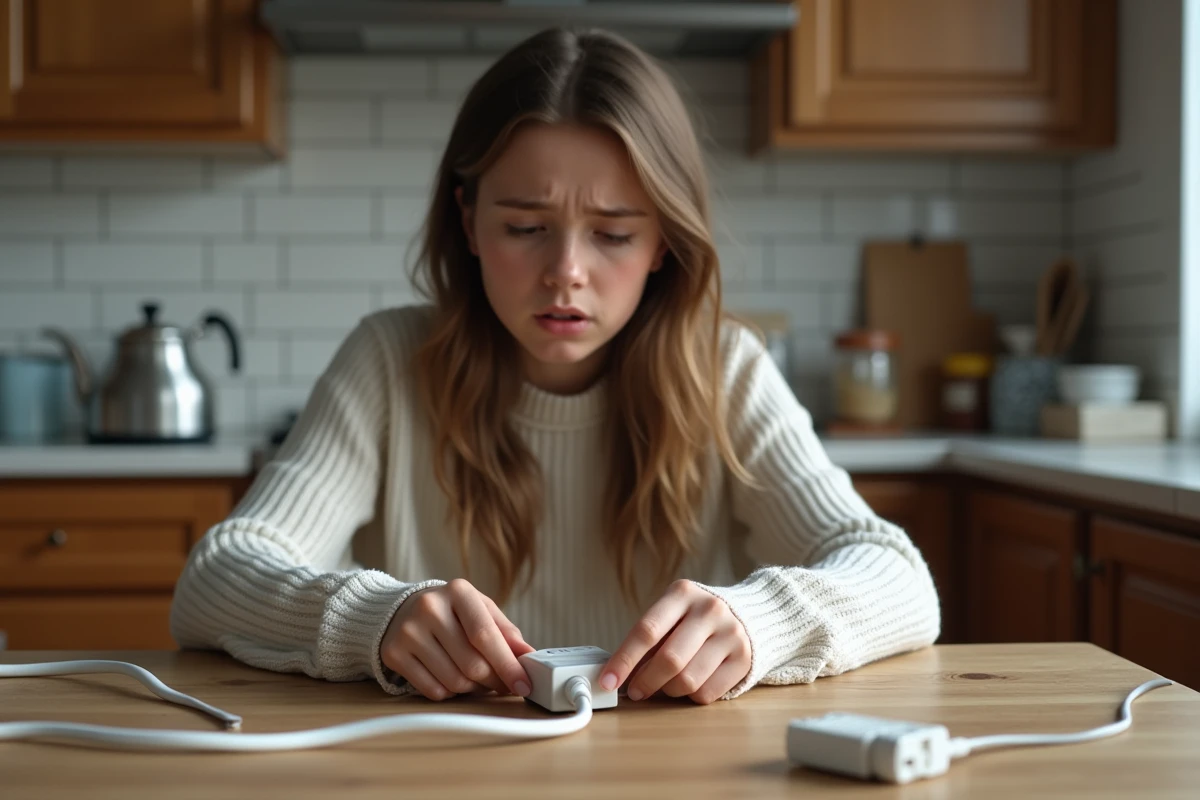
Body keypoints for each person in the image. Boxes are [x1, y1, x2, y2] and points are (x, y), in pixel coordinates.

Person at [170, 27, 939, 706]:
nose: (565, 271)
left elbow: (900, 582)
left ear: (663, 242)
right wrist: (375, 617)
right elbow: (216, 580)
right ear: (468, 220)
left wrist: (757, 623)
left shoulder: (725, 368)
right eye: (526, 226)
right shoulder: (388, 360)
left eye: (612, 234)